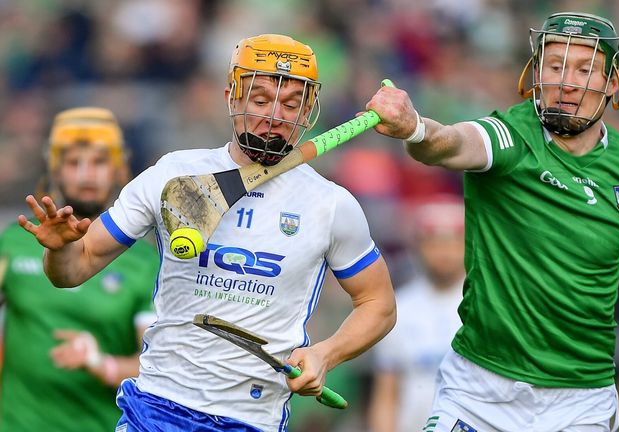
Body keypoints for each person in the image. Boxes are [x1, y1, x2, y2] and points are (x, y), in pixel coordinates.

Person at [365, 11, 619, 432]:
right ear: (535, 75)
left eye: (585, 68)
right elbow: (447, 143)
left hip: (580, 403)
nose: (567, 81)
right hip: (478, 392)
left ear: (613, 83)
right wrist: (414, 128)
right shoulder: (511, 137)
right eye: (555, 66)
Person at [19, 34, 396, 432]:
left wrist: (326, 354)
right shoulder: (173, 174)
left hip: (252, 418)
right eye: (262, 99)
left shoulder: (330, 204)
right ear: (233, 98)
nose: (276, 117)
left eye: (290, 104)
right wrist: (60, 250)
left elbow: (379, 304)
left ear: (307, 113)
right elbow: (75, 268)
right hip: (157, 407)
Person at [0, 107, 158, 431]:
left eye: (99, 162)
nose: (87, 174)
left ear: (119, 170)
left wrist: (104, 364)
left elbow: (157, 367)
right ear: (55, 170)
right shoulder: (14, 243)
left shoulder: (145, 263)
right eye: (74, 163)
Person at [368, 195, 465, 432]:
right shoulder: (398, 307)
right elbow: (386, 395)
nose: (444, 253)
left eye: (454, 243)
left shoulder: (485, 306)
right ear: (418, 246)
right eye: (434, 243)